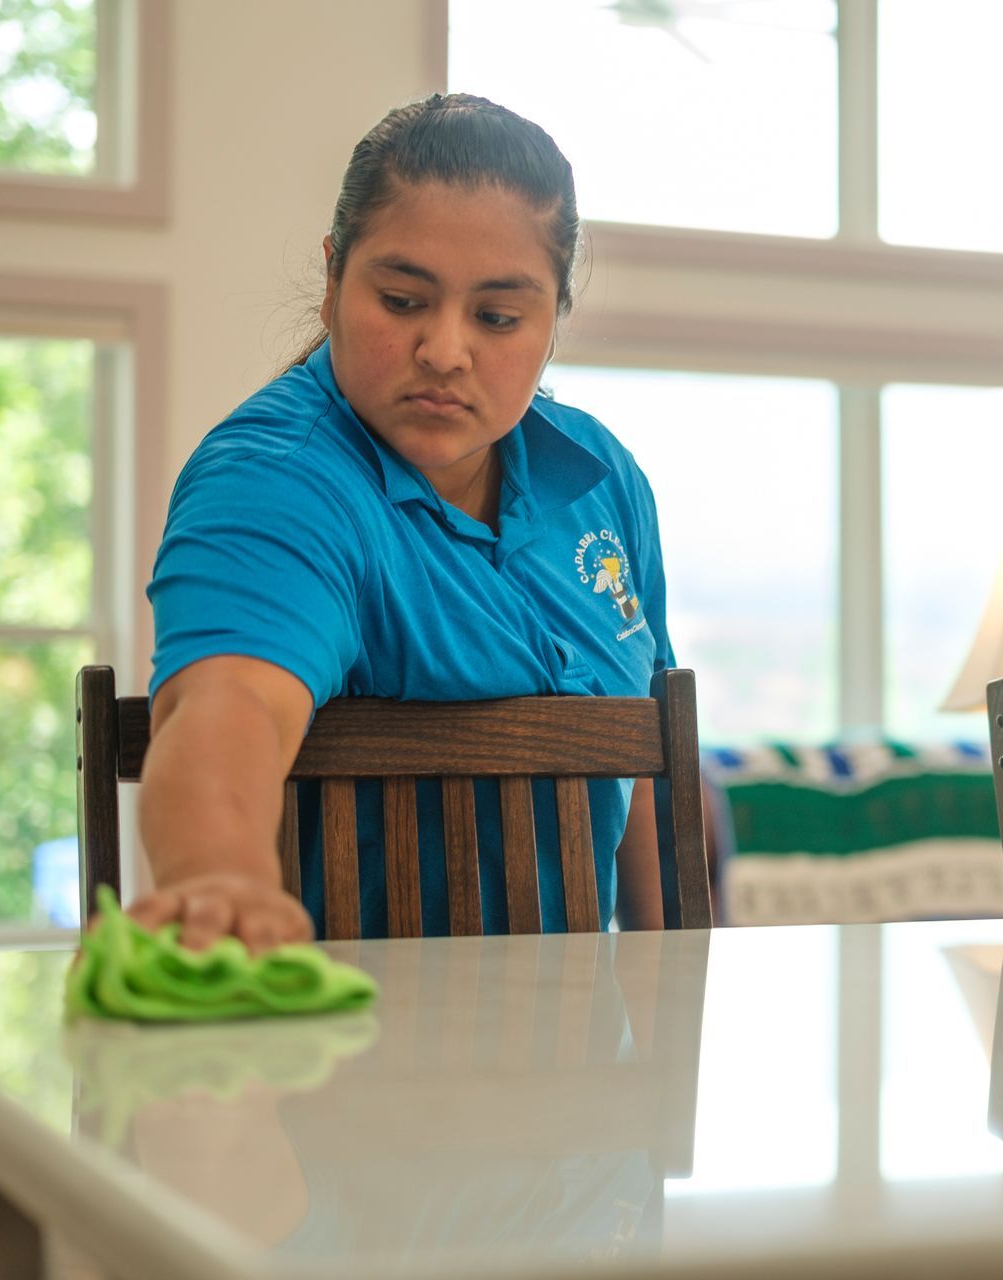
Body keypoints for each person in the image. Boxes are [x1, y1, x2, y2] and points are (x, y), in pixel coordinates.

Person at [127, 94, 675, 951]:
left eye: (498, 317)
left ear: (553, 320)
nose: (446, 351)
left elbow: (649, 760)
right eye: (402, 299)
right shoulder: (275, 483)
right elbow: (226, 704)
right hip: (338, 1060)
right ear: (333, 280)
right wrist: (220, 882)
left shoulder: (605, 482)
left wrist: (675, 1010)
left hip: (590, 1057)